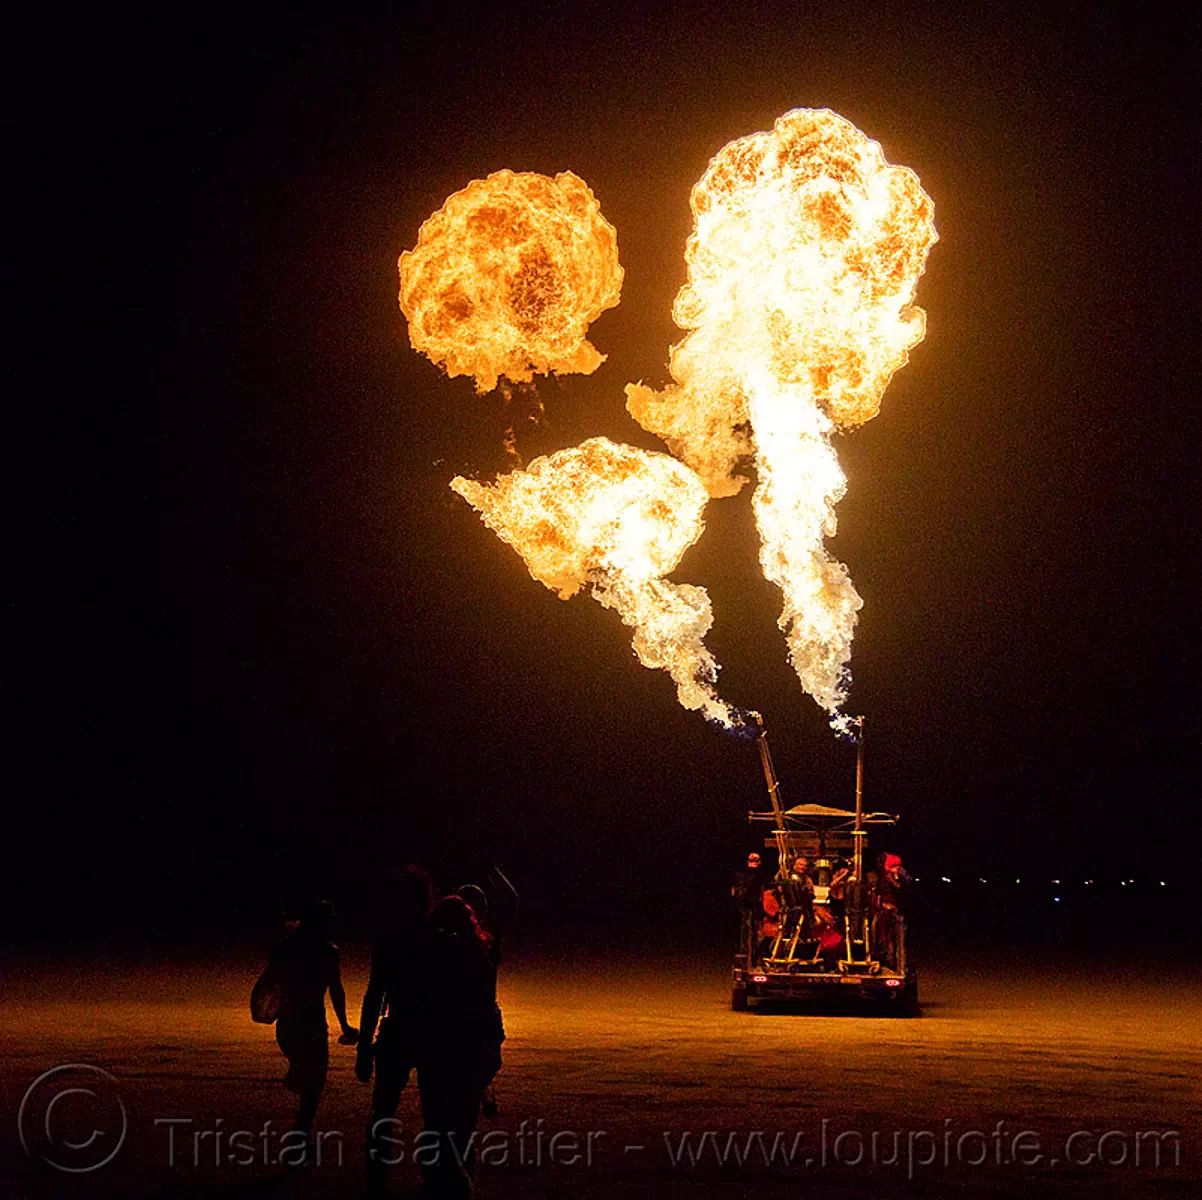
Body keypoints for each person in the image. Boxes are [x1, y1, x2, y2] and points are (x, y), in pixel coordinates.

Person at [419, 895, 505, 1197]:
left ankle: (447, 1184)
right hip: (471, 1047)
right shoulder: (483, 953)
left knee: (438, 1124)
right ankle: (462, 1183)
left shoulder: (438, 956)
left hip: (445, 1048)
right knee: (463, 1127)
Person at [358, 865, 437, 1193]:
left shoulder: (389, 940)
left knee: (383, 1111)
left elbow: (375, 995)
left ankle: (376, 1181)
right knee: (436, 1114)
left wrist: (365, 1047)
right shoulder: (438, 936)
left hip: (398, 1031)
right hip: (434, 1035)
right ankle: (437, 1181)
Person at [262, 899, 358, 1154]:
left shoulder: (287, 945)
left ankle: (301, 1129)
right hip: (312, 1023)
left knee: (306, 1071)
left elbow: (270, 978)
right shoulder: (327, 951)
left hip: (288, 1020)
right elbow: (335, 990)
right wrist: (345, 1025)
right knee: (314, 1083)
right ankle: (301, 1134)